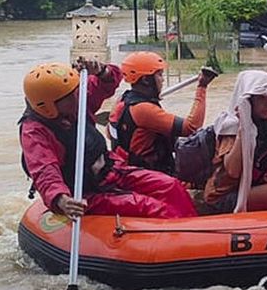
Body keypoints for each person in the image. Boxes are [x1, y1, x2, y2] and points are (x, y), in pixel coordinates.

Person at [19, 60, 197, 219]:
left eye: (75, 90)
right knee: (148, 206)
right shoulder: (34, 132)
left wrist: (100, 70)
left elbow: (109, 81)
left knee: (171, 185)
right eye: (69, 95)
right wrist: (61, 199)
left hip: (112, 170)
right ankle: (180, 235)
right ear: (49, 106)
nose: (77, 95)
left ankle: (193, 227)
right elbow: (44, 171)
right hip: (84, 192)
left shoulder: (76, 102)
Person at [203, 70, 267, 213]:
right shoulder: (231, 126)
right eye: (262, 99)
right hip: (224, 196)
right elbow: (233, 172)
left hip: (253, 185)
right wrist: (243, 129)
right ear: (249, 100)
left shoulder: (266, 124)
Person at [109, 51, 217, 174]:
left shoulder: (121, 100)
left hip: (127, 168)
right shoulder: (143, 109)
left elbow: (110, 133)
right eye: (159, 75)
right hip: (147, 173)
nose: (163, 80)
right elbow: (191, 128)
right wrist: (202, 87)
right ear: (146, 80)